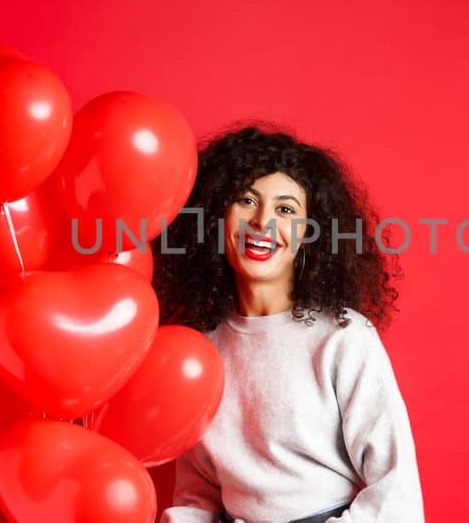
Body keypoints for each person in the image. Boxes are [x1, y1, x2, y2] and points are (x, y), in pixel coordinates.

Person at [154, 125, 424, 523]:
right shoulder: (198, 351)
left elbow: (396, 495)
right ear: (216, 219)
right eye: (246, 201)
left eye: (285, 210)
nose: (262, 222)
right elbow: (197, 496)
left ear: (308, 236)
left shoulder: (343, 337)